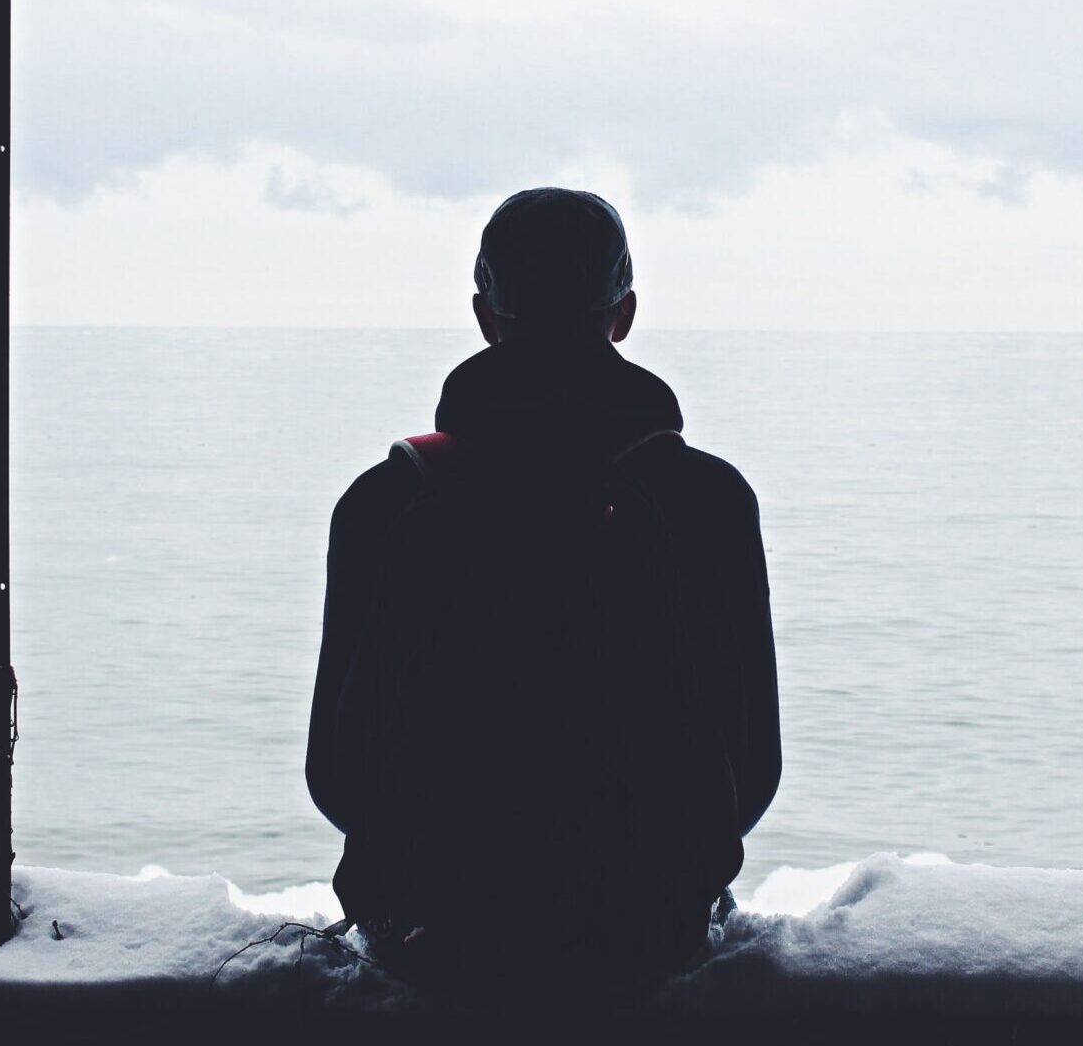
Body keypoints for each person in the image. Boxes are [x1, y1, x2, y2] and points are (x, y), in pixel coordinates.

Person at [305, 187, 781, 1004]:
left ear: (486, 315)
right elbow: (753, 771)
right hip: (644, 936)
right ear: (624, 313)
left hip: (434, 938)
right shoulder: (708, 498)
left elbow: (336, 776)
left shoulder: (386, 501)